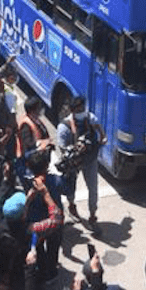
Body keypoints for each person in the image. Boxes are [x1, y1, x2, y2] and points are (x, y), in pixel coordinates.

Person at [56, 95, 105, 227]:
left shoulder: (90, 118)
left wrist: (100, 141)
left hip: (90, 160)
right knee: (70, 187)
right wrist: (76, 150)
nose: (82, 112)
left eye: (83, 108)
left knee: (93, 188)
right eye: (78, 110)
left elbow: (101, 132)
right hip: (73, 163)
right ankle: (71, 205)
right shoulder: (64, 127)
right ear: (72, 111)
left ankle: (93, 214)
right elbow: (62, 148)